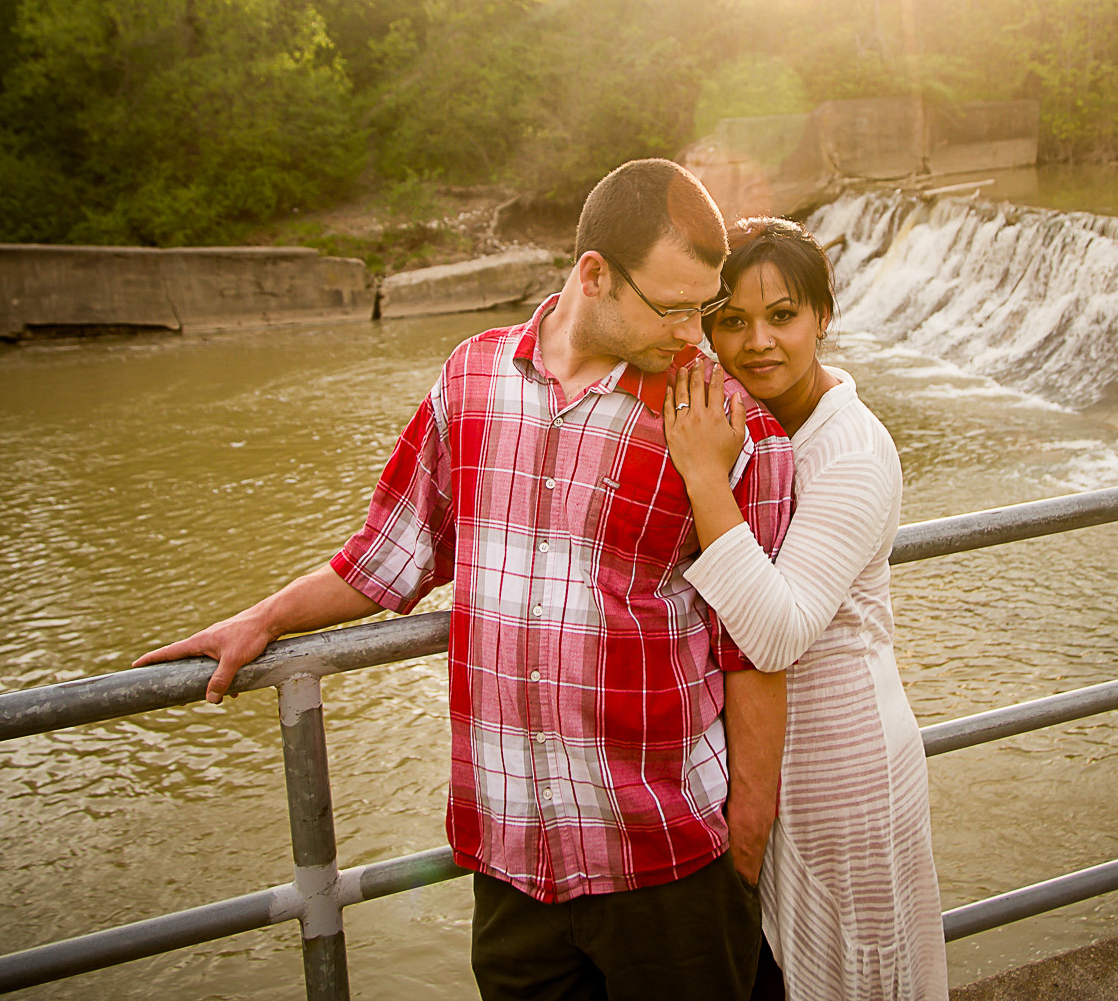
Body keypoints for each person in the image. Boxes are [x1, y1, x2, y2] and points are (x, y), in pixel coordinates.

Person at [135, 160, 794, 1001]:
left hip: (665, 857)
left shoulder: (731, 427)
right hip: (512, 859)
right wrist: (265, 618)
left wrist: (745, 847)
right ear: (592, 273)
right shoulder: (472, 377)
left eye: (704, 306)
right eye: (672, 307)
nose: (695, 334)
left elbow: (755, 653)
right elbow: (389, 552)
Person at [663, 216, 950, 1001]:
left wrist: (705, 479)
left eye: (782, 315)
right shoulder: (747, 424)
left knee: (846, 972)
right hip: (758, 757)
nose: (758, 341)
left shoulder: (849, 449)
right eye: (732, 320)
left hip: (840, 760)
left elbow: (779, 631)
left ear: (824, 316)